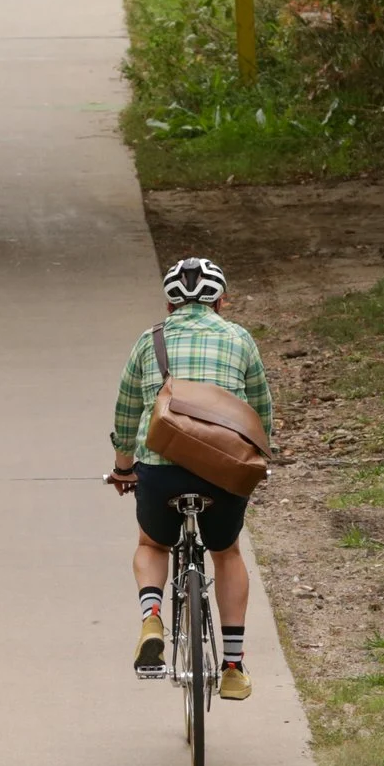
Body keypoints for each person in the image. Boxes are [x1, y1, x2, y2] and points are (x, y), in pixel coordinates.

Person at [107, 256, 275, 701]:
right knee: (226, 552)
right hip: (222, 469)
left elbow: (127, 416)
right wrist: (256, 459)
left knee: (151, 543)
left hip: (160, 468)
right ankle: (234, 666)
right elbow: (260, 410)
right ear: (221, 300)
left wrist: (124, 467)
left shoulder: (150, 341)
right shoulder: (240, 338)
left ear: (169, 304)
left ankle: (151, 617)